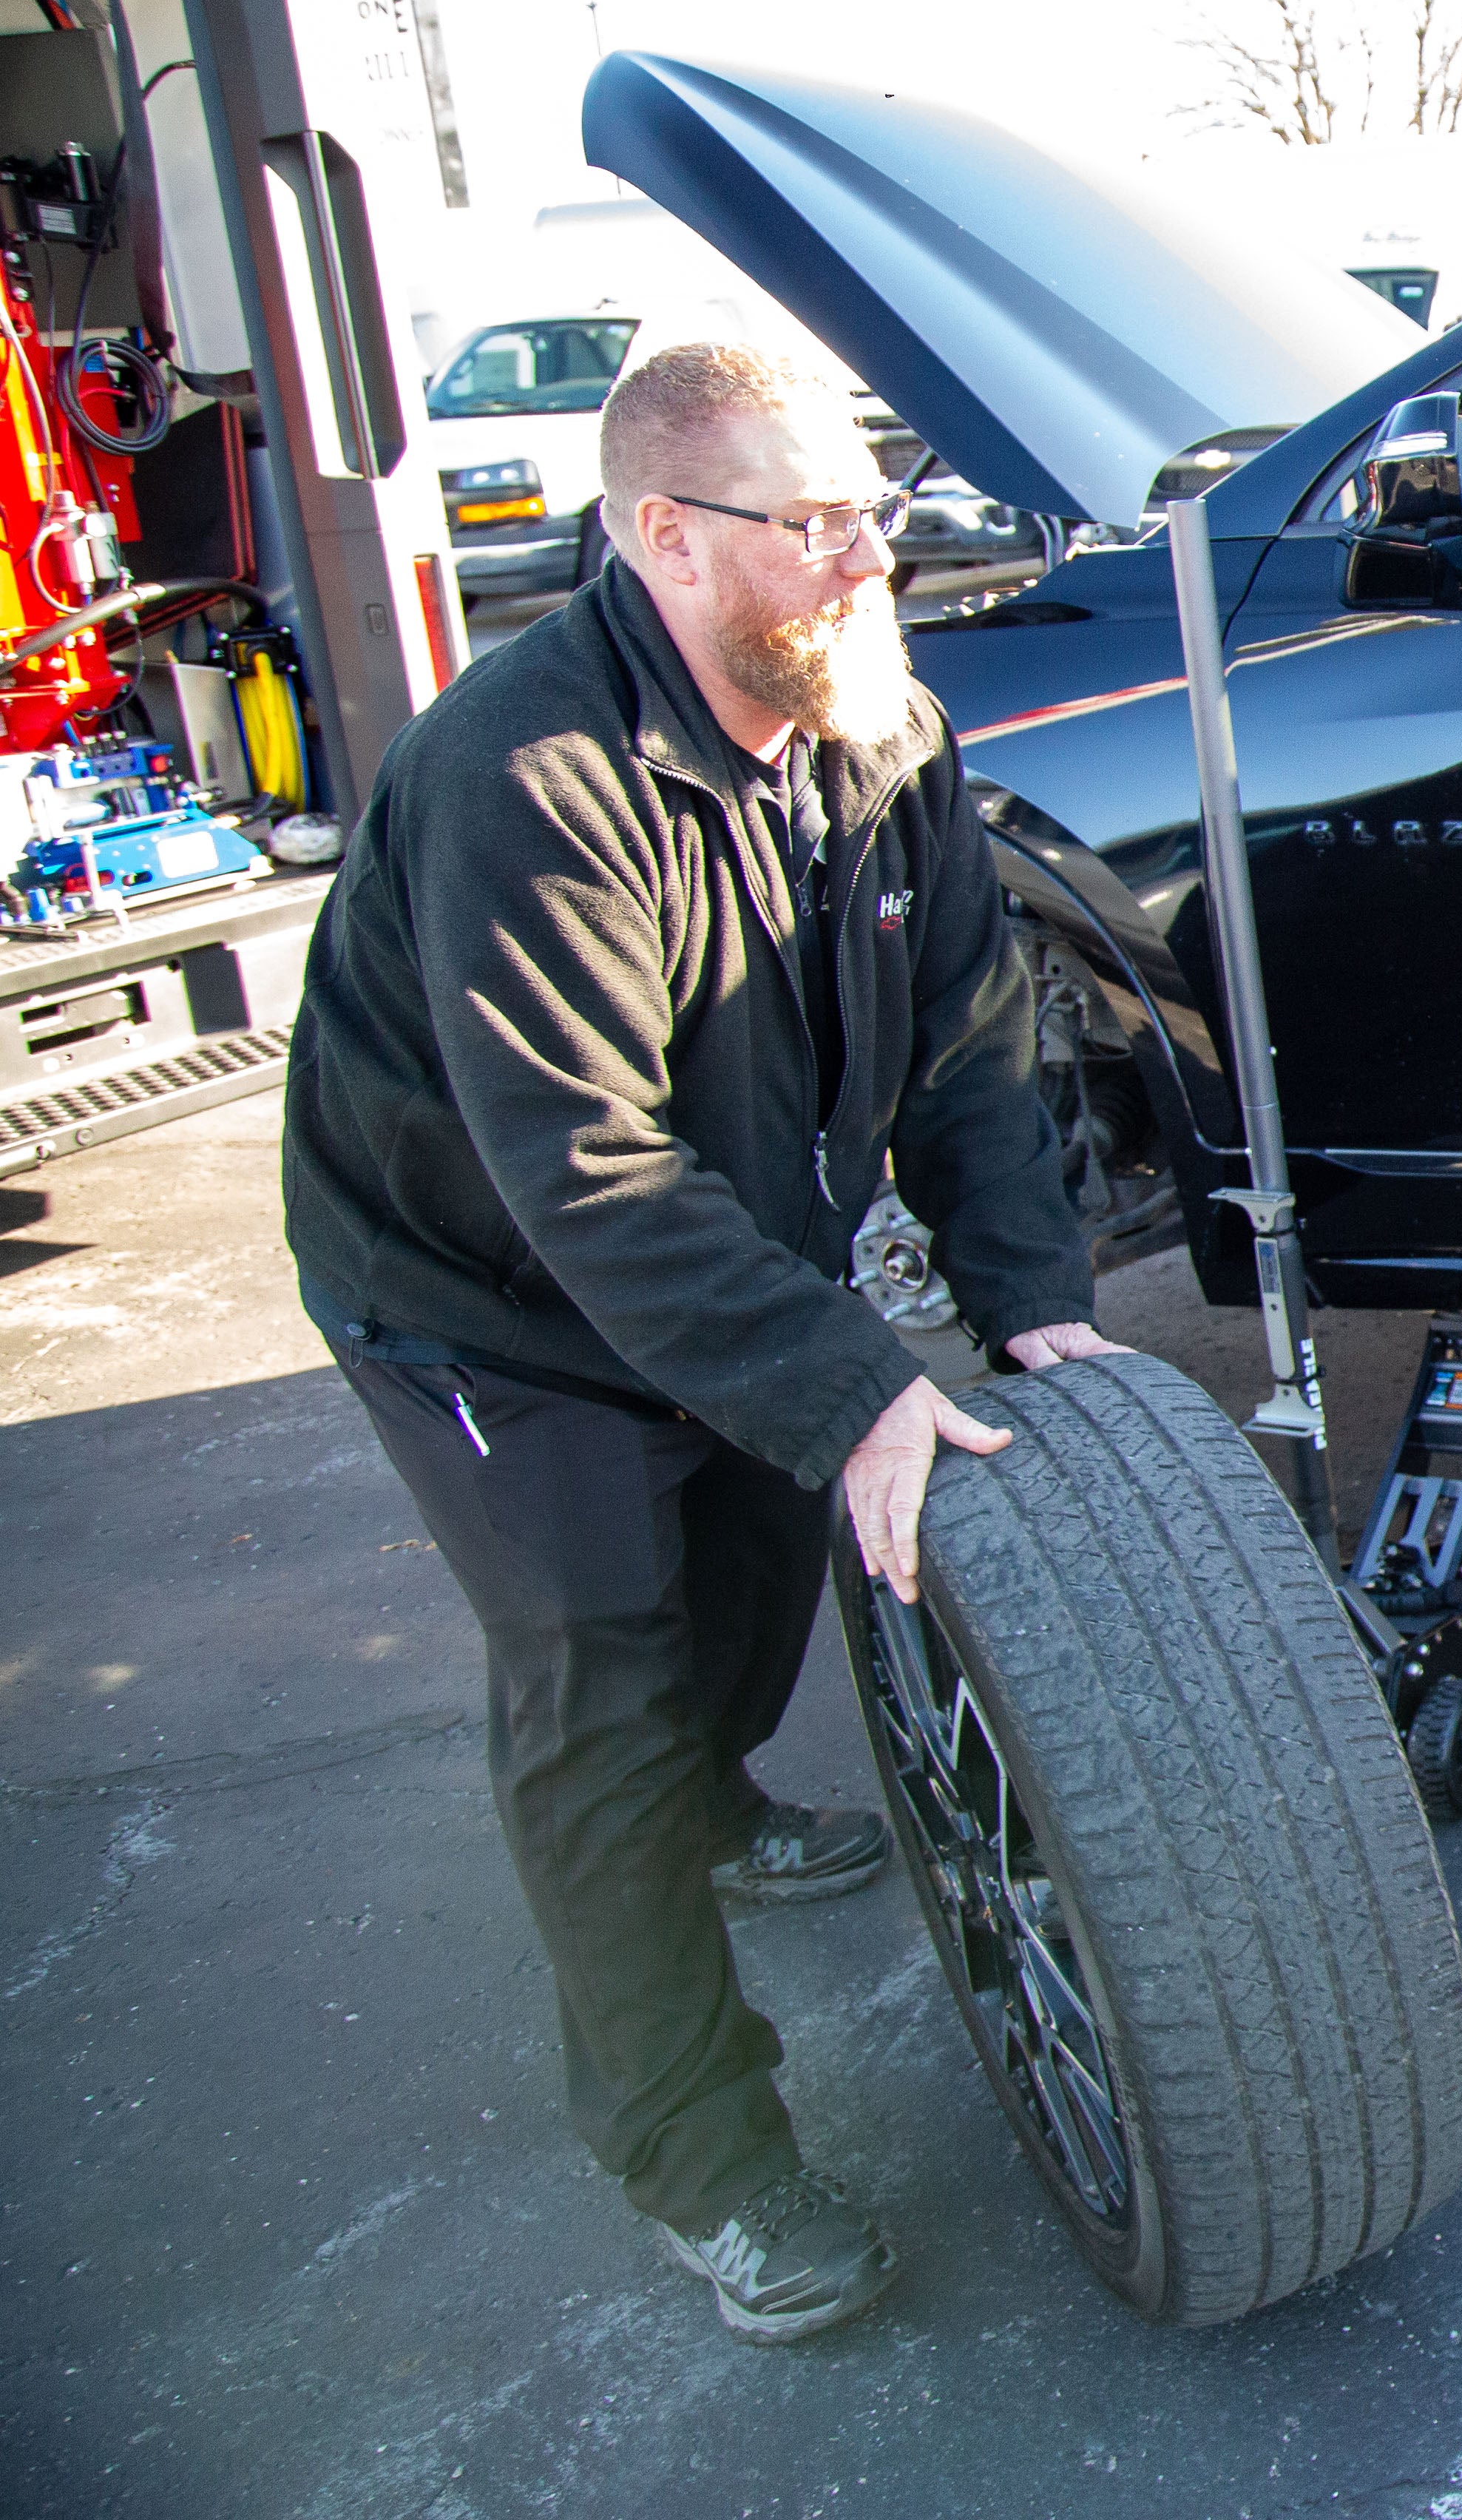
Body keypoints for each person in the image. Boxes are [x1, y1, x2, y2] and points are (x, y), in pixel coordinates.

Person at [282, 340, 1121, 2342]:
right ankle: (700, 2155)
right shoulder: (522, 778)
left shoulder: (877, 728)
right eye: (815, 524)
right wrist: (851, 1380)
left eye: (876, 516)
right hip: (482, 1303)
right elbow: (581, 1174)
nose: (868, 562)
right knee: (608, 1686)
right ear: (666, 535)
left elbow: (974, 1051)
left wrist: (1040, 1313)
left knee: (757, 1575)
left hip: (734, 1244)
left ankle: (723, 1795)